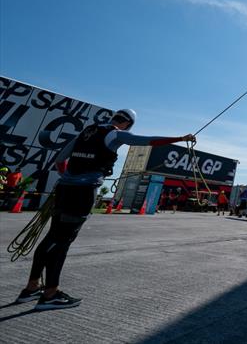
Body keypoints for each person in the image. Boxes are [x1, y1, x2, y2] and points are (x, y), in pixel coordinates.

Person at [15, 108, 195, 311]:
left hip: (65, 189)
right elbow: (148, 141)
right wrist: (181, 138)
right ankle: (50, 294)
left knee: (51, 237)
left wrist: (69, 178)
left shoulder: (86, 132)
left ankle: (31, 287)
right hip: (83, 192)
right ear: (128, 124)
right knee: (63, 241)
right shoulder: (116, 133)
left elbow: (59, 159)